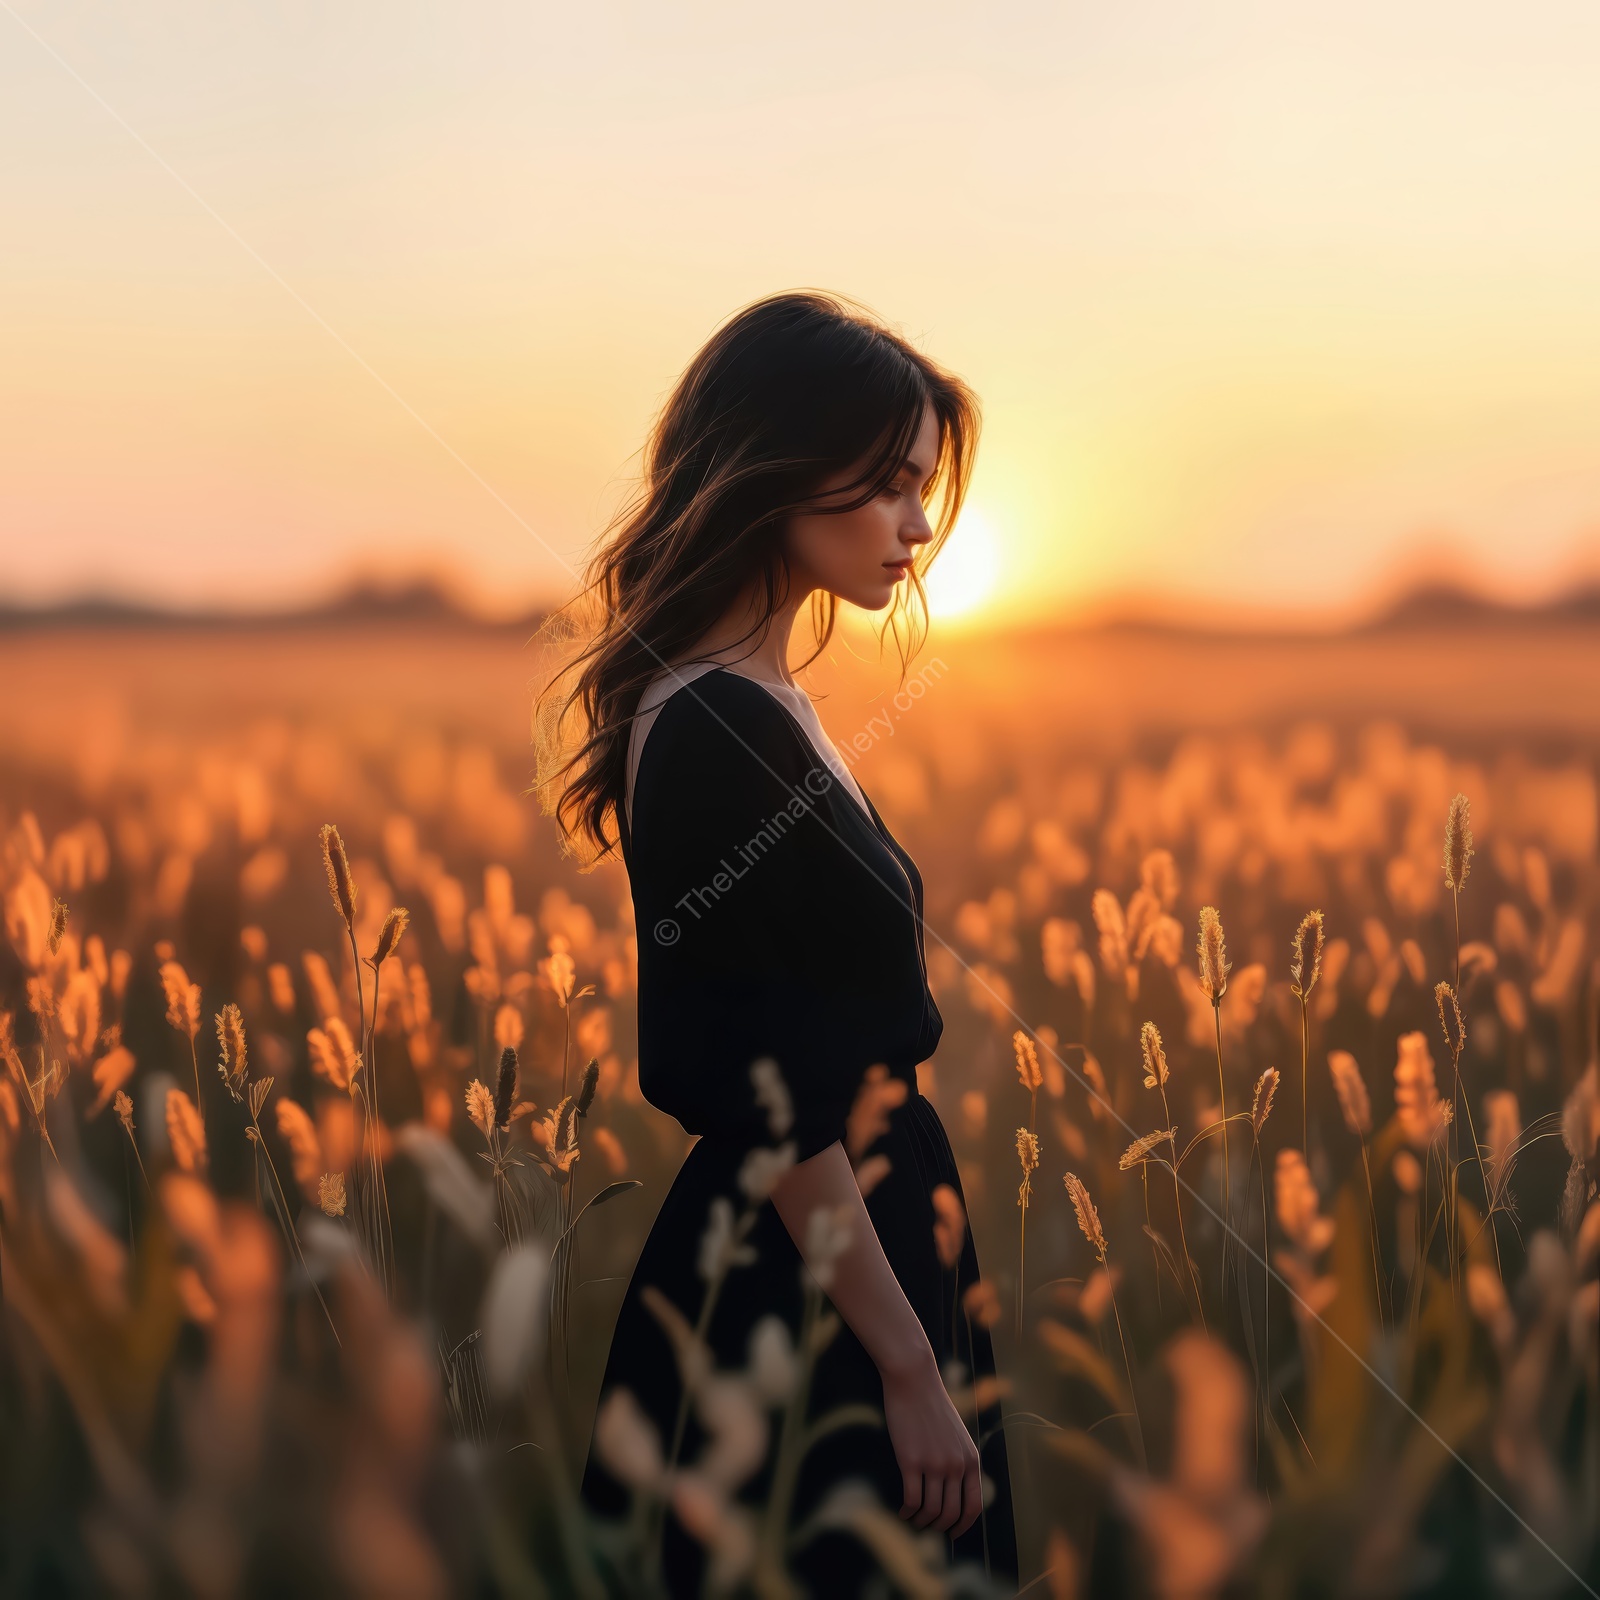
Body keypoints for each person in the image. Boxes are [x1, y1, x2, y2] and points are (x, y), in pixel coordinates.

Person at [539, 291, 1017, 1594]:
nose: (920, 527)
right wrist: (907, 1365)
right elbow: (764, 1095)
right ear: (779, 465)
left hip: (868, 1237)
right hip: (803, 1283)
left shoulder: (775, 701)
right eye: (893, 485)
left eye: (927, 488)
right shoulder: (710, 730)